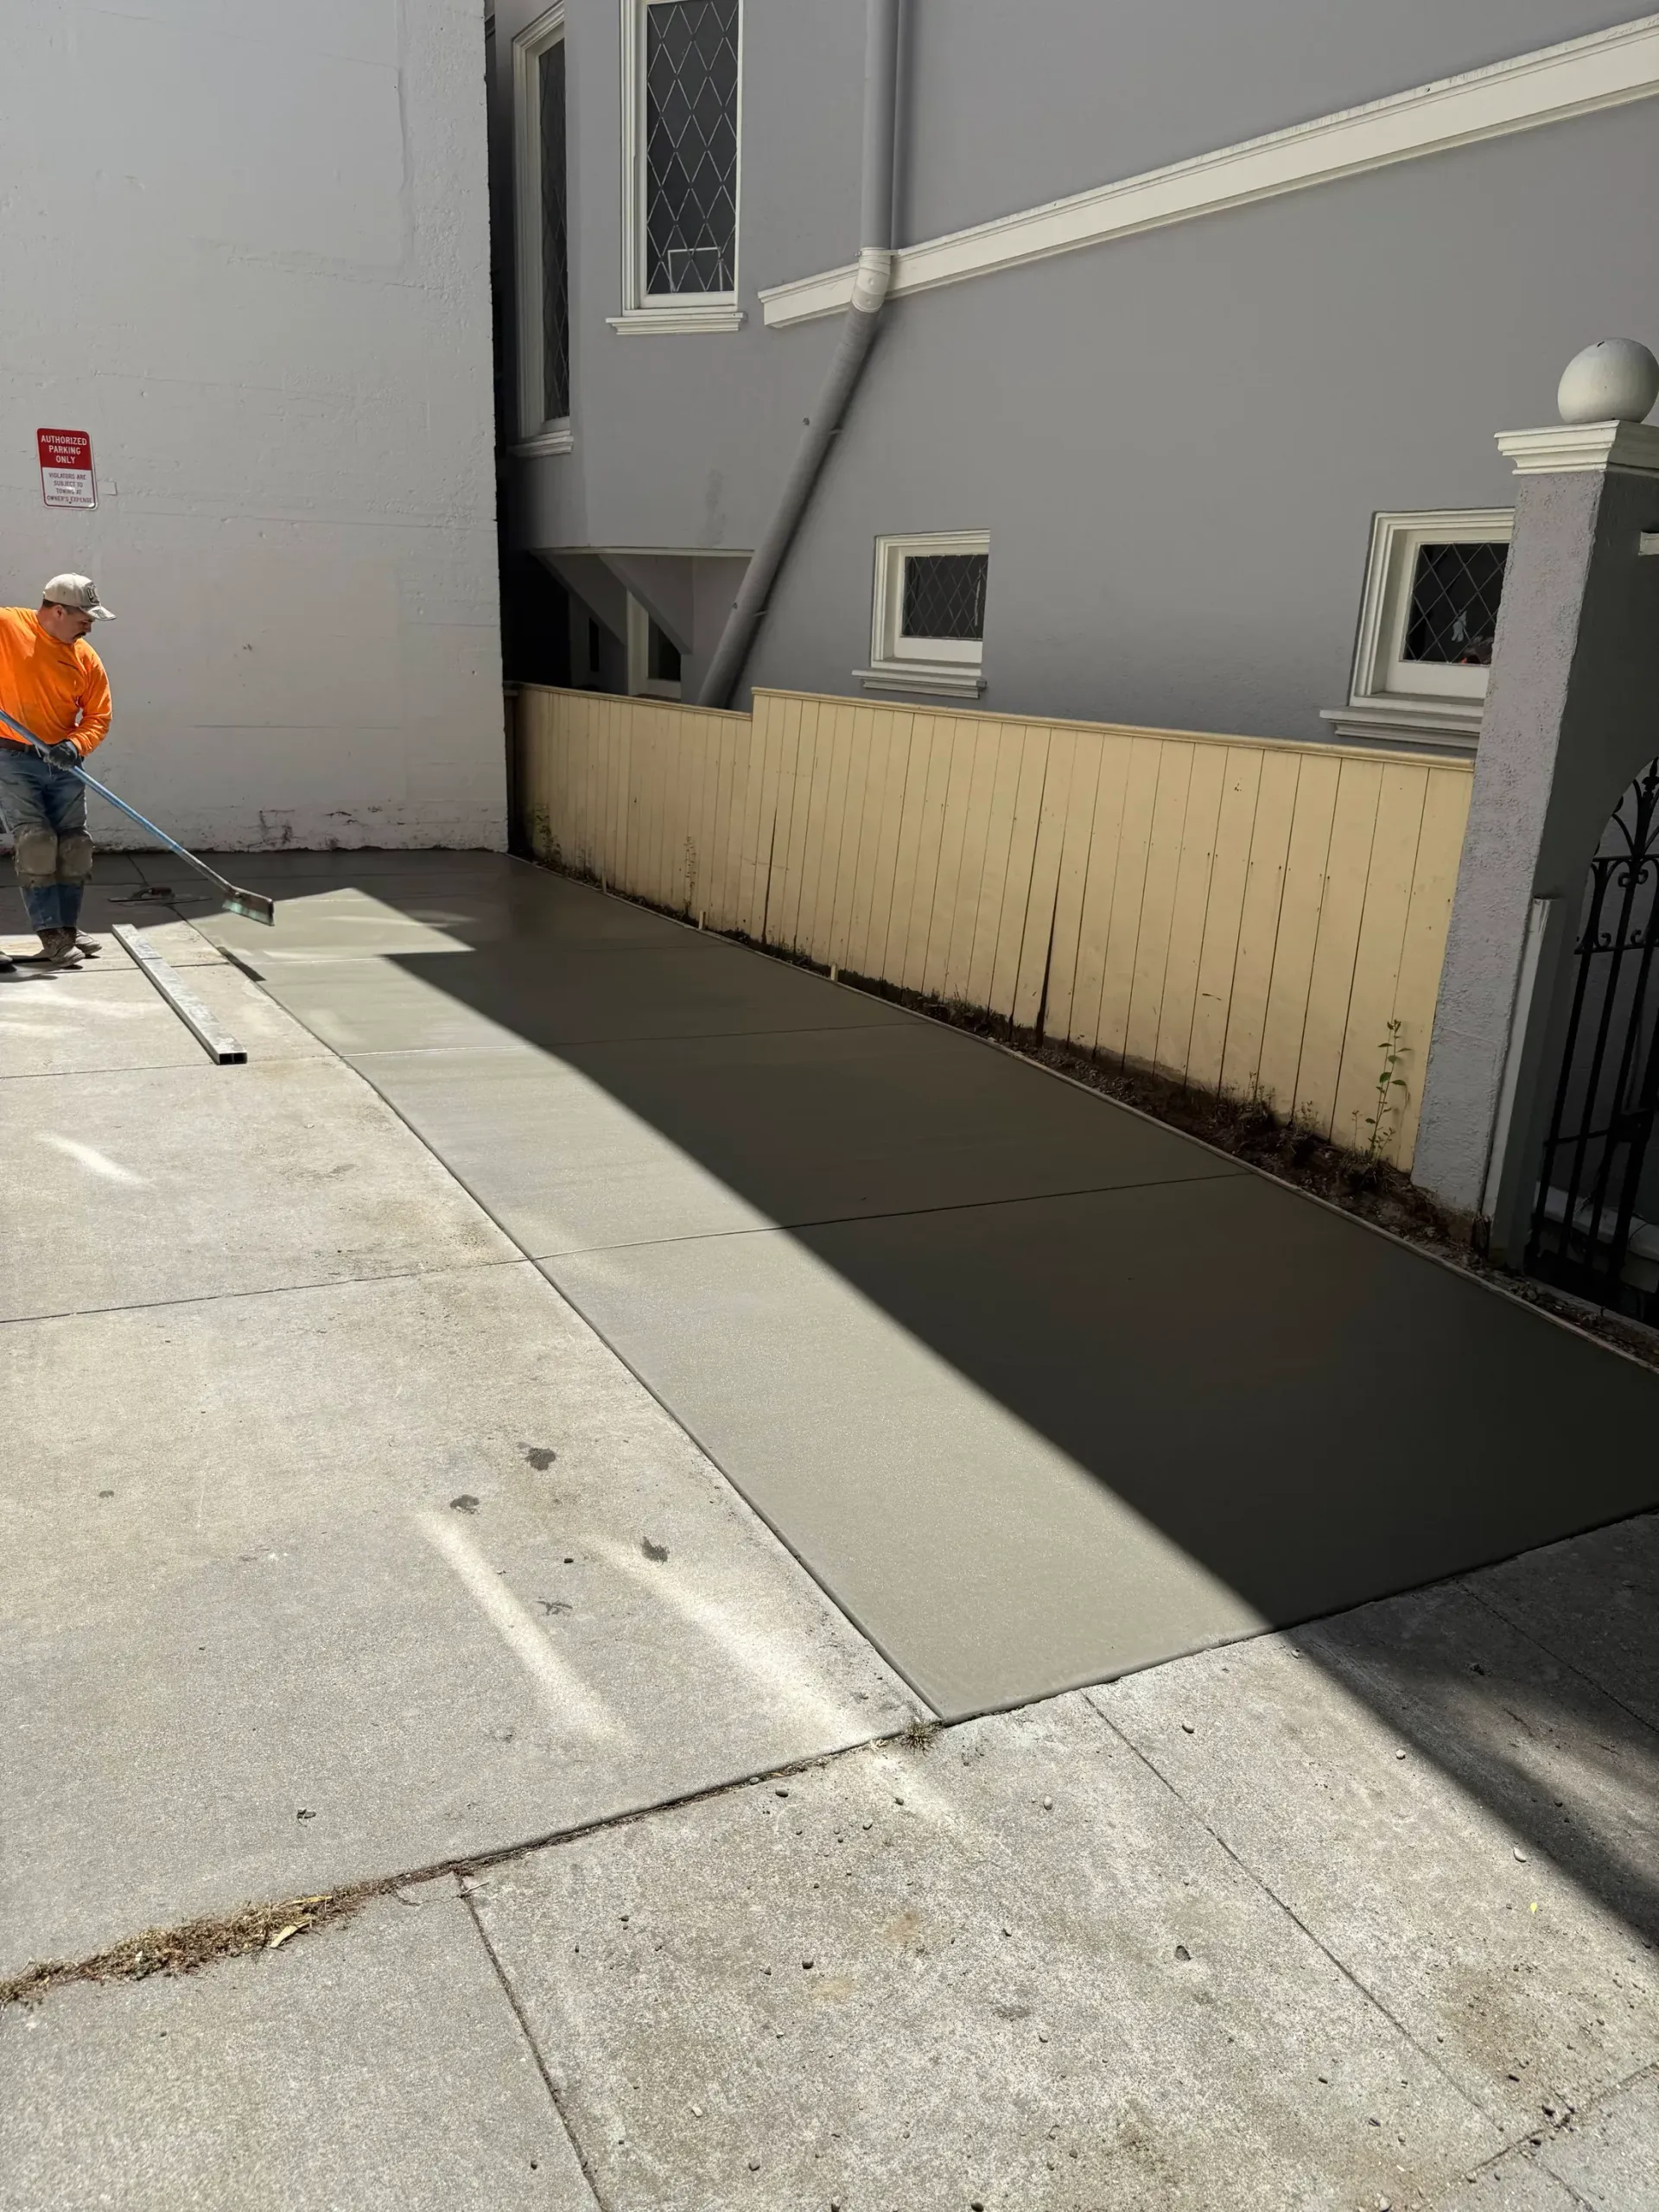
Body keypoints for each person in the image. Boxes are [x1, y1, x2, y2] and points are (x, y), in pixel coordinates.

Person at [0, 574, 115, 973]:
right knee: (36, 840)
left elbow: (99, 715)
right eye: (85, 618)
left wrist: (76, 746)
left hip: (64, 763)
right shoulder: (8, 626)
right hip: (12, 757)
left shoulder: (85, 657)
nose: (90, 625)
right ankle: (51, 934)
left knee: (73, 845)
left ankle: (68, 927)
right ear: (59, 610)